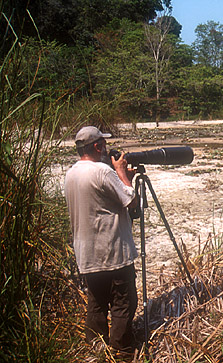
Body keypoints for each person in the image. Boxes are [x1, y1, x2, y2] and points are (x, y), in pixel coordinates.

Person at [65, 126, 138, 355]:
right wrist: (122, 173)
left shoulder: (72, 173)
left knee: (96, 304)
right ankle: (121, 351)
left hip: (87, 253)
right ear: (97, 146)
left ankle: (97, 351)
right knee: (123, 303)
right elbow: (131, 201)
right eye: (103, 145)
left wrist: (123, 178)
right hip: (113, 252)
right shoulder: (102, 172)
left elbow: (103, 198)